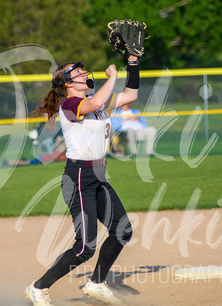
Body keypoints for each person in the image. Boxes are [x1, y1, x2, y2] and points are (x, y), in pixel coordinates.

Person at [25, 55, 140, 305]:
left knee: (123, 231)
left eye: (82, 70)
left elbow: (131, 96)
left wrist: (132, 63)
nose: (83, 73)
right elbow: (98, 100)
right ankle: (38, 287)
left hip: (98, 176)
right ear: (67, 83)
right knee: (84, 247)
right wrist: (114, 77)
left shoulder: (96, 103)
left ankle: (96, 283)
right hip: (78, 178)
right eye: (76, 72)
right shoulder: (70, 105)